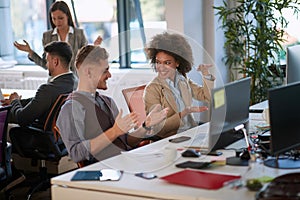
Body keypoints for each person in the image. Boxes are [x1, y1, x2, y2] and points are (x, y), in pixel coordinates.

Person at [56, 45, 168, 165]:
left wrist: (146, 126)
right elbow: (76, 154)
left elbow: (125, 141)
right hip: (104, 171)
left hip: (126, 161)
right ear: (88, 72)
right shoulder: (71, 108)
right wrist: (114, 131)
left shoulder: (107, 101)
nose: (109, 75)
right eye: (105, 70)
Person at [143, 32, 215, 139]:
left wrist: (206, 74)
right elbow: (158, 129)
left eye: (167, 63)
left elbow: (207, 96)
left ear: (177, 63)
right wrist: (183, 113)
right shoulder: (152, 89)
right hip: (170, 140)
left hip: (190, 133)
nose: (161, 67)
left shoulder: (182, 80)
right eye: (158, 62)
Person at [13, 1, 102, 74]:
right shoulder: (47, 36)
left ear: (67, 16)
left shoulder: (79, 34)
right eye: (53, 18)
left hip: (75, 82)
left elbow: (84, 61)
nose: (57, 22)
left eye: (60, 18)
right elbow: (45, 64)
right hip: (55, 82)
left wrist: (94, 48)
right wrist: (30, 52)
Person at [1, 41, 76, 128]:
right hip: (61, 137)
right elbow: (38, 101)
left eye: (47, 61)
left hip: (38, 136)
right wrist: (18, 102)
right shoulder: (75, 82)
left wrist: (14, 101)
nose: (46, 65)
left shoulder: (47, 89)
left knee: (4, 124)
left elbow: (22, 119)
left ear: (55, 62)